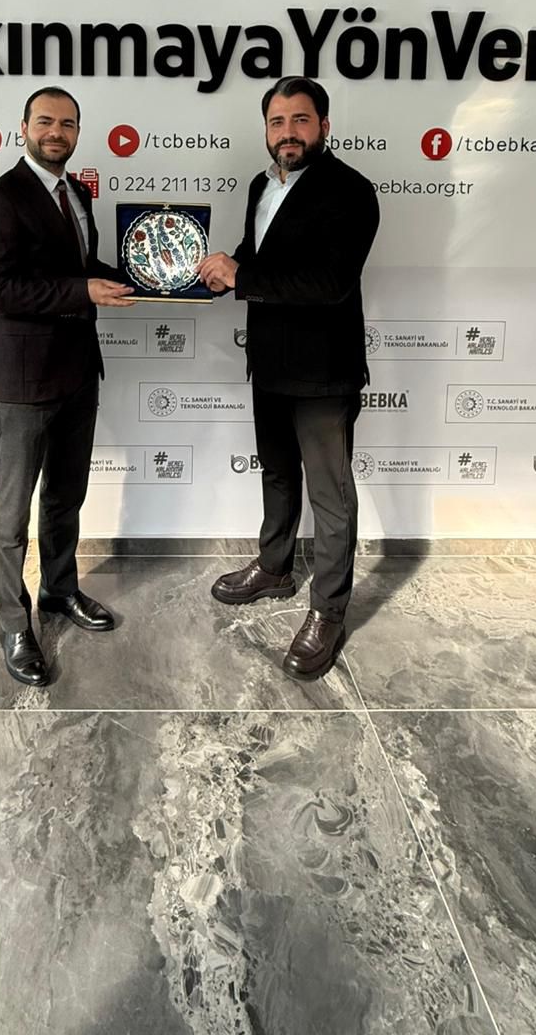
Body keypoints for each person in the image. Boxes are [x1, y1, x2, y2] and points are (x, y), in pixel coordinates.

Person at [198, 77, 380, 679]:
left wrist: (241, 277)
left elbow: (329, 284)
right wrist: (218, 272)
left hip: (324, 372)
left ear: (324, 126)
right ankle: (274, 567)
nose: (288, 133)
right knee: (277, 474)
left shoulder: (351, 191)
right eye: (277, 122)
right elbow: (259, 257)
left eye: (300, 120)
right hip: (269, 364)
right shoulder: (261, 185)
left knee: (330, 496)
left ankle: (328, 611)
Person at [0, 88, 134, 687]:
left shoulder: (78, 193)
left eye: (67, 124)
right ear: (23, 128)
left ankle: (59, 590)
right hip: (21, 379)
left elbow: (84, 271)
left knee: (66, 498)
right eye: (45, 121)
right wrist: (82, 291)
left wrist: (161, 275)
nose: (56, 132)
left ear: (77, 133)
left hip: (78, 373)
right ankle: (14, 624)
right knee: (10, 513)